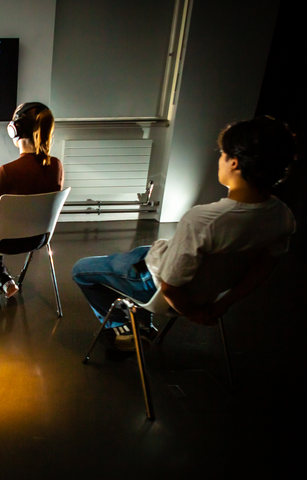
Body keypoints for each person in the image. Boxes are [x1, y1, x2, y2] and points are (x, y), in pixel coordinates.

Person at [72, 117, 296, 358]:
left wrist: (192, 313)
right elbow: (264, 267)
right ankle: (141, 324)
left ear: (234, 162)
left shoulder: (203, 220)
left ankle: (122, 327)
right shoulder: (282, 216)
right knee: (144, 250)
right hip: (202, 287)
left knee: (81, 270)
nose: (219, 159)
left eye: (222, 154)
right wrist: (221, 305)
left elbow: (169, 286)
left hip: (152, 284)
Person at [0, 102, 64, 297]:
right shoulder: (56, 166)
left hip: (6, 242)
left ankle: (1, 277)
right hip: (40, 238)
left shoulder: (7, 172)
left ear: (14, 130)